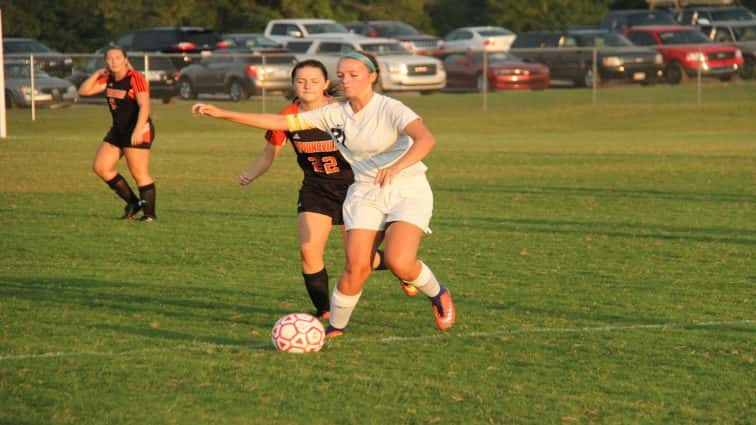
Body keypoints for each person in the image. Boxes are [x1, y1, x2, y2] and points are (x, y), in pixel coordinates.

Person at [192, 51, 455, 338]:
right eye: (342, 75)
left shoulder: (391, 108)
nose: (347, 80)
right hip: (365, 190)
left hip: (407, 188)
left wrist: (396, 167)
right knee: (356, 266)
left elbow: (426, 139)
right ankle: (335, 327)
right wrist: (224, 113)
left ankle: (438, 293)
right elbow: (279, 123)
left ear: (372, 76)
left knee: (398, 260)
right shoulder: (333, 114)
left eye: (354, 74)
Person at [78, 46, 157, 221]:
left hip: (137, 129)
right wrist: (97, 74)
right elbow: (83, 91)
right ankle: (133, 203)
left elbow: (145, 105)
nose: (113, 61)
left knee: (139, 172)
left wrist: (137, 129)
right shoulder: (108, 79)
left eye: (117, 57)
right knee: (101, 167)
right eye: (109, 58)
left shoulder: (135, 78)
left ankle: (149, 215)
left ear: (125, 60)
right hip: (118, 130)